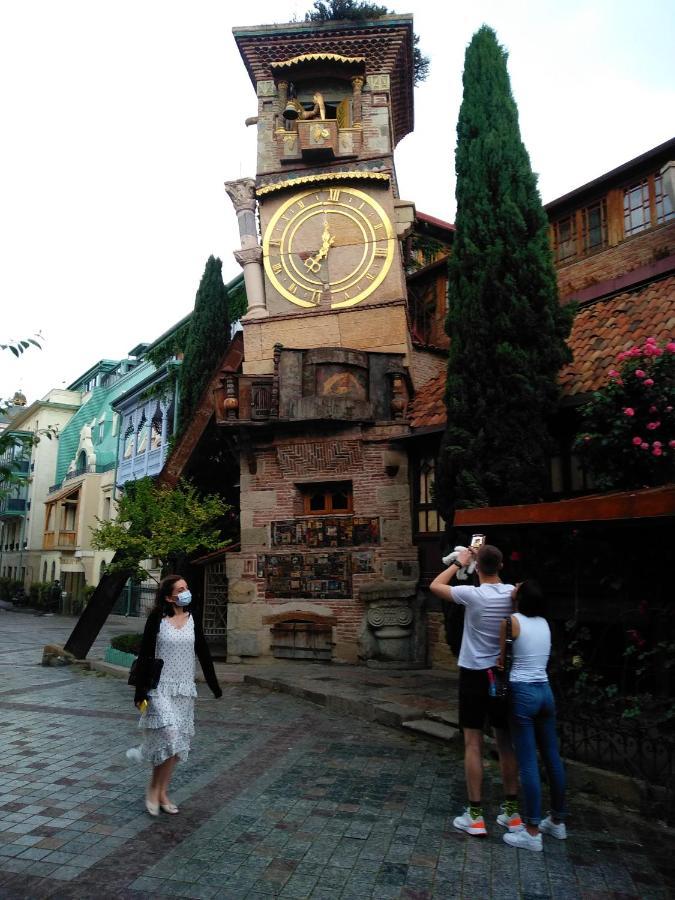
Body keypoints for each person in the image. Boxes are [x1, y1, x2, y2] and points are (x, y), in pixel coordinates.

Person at [430, 544, 521, 837]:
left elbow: (436, 585)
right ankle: (511, 812)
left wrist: (459, 562)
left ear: (477, 568)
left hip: (473, 674)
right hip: (502, 674)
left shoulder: (472, 594)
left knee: (472, 743)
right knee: (505, 743)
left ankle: (476, 814)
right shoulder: (512, 595)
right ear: (502, 565)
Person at [128, 574, 222, 816]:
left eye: (186, 587)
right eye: (180, 589)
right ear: (169, 596)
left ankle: (162, 792)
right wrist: (140, 693)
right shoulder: (156, 619)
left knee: (176, 744)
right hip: (159, 687)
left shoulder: (192, 618)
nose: (185, 592)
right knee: (170, 734)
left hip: (184, 689)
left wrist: (213, 684)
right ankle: (152, 788)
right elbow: (146, 654)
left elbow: (202, 652)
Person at [500, 580, 567, 852]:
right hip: (545, 692)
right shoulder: (545, 624)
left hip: (523, 691)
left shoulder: (511, 622)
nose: (514, 587)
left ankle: (531, 830)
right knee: (552, 757)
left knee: (527, 761)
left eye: (518, 587)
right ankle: (558, 821)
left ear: (521, 598)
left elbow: (500, 659)